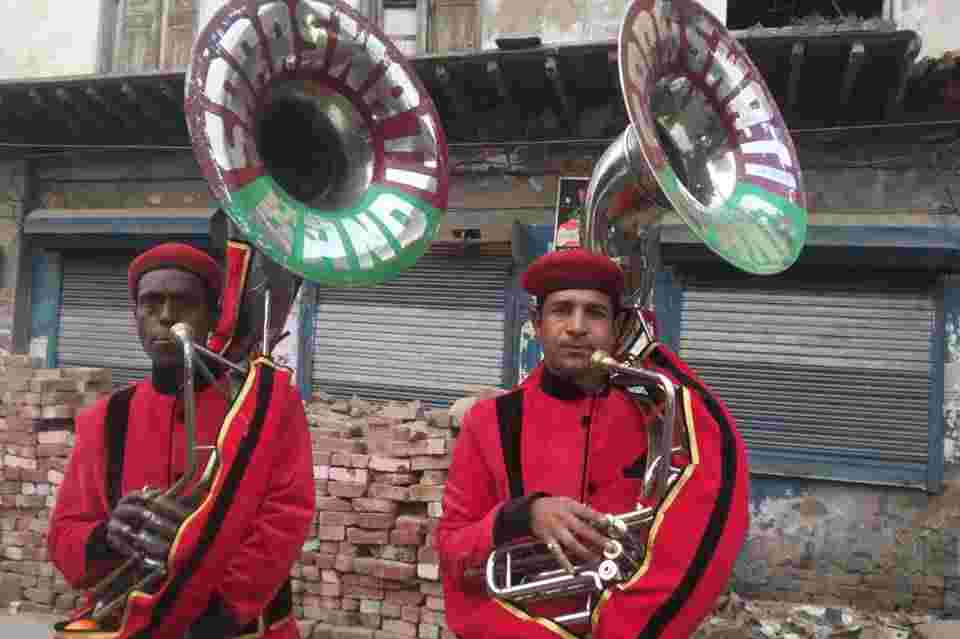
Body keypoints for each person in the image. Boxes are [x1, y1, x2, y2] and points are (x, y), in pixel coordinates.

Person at [435, 248, 750, 639]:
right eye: (561, 310)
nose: (577, 327)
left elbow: (698, 516)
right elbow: (452, 550)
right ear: (536, 323)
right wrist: (520, 516)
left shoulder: (658, 415)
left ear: (616, 327)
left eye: (595, 313)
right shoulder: (490, 421)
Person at [48, 242, 315, 639]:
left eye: (185, 303)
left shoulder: (263, 406)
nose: (166, 316)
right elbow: (65, 535)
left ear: (212, 316)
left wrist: (215, 609)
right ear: (135, 316)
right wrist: (107, 537)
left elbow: (284, 519)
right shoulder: (104, 418)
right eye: (150, 303)